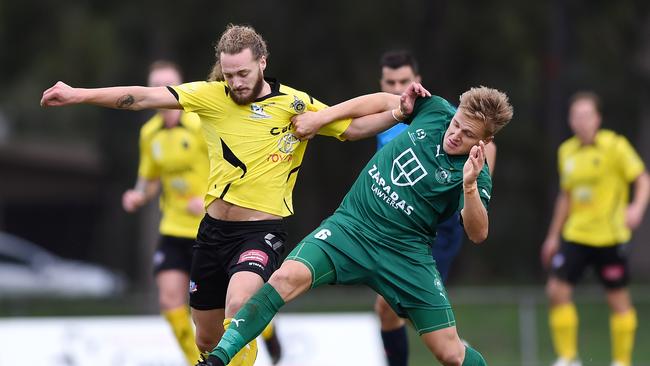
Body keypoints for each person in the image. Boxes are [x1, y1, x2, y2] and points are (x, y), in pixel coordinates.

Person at [40, 24, 411, 366]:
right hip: (211, 233)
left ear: (262, 62)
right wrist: (77, 94)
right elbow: (140, 98)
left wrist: (398, 112)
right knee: (206, 337)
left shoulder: (294, 105)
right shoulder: (211, 97)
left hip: (260, 232)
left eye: (243, 73)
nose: (236, 82)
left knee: (239, 306)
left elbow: (355, 127)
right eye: (229, 74)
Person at [202, 84, 514, 366]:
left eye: (468, 134)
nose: (455, 133)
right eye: (456, 123)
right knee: (285, 277)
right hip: (351, 228)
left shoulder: (476, 173)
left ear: (485, 141)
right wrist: (322, 117)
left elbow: (478, 232)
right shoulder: (435, 110)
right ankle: (218, 358)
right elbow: (379, 100)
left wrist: (469, 187)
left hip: (405, 254)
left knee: (451, 354)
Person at [374, 50, 497, 366]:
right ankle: (456, 350)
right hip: (398, 222)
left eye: (404, 80)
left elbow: (486, 146)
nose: (397, 85)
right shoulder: (388, 115)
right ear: (382, 83)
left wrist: (473, 189)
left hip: (434, 228)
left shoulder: (443, 116)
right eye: (390, 81)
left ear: (417, 82)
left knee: (400, 307)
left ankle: (459, 352)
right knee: (386, 310)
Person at [541, 92, 649, 366]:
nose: (581, 121)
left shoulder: (615, 146)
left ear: (598, 118)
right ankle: (568, 357)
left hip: (610, 237)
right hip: (576, 234)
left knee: (618, 301)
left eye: (587, 115)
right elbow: (565, 197)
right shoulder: (566, 151)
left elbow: (642, 179)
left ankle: (622, 361)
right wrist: (553, 235)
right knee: (556, 291)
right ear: (570, 120)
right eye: (576, 115)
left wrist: (637, 207)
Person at [120, 60, 205, 365]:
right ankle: (196, 361)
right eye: (156, 85)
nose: (162, 91)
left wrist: (209, 200)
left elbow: (231, 167)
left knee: (214, 306)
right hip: (173, 227)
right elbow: (151, 178)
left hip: (208, 229)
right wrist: (138, 195)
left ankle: (268, 329)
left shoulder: (200, 122)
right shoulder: (150, 133)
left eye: (168, 85)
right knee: (169, 301)